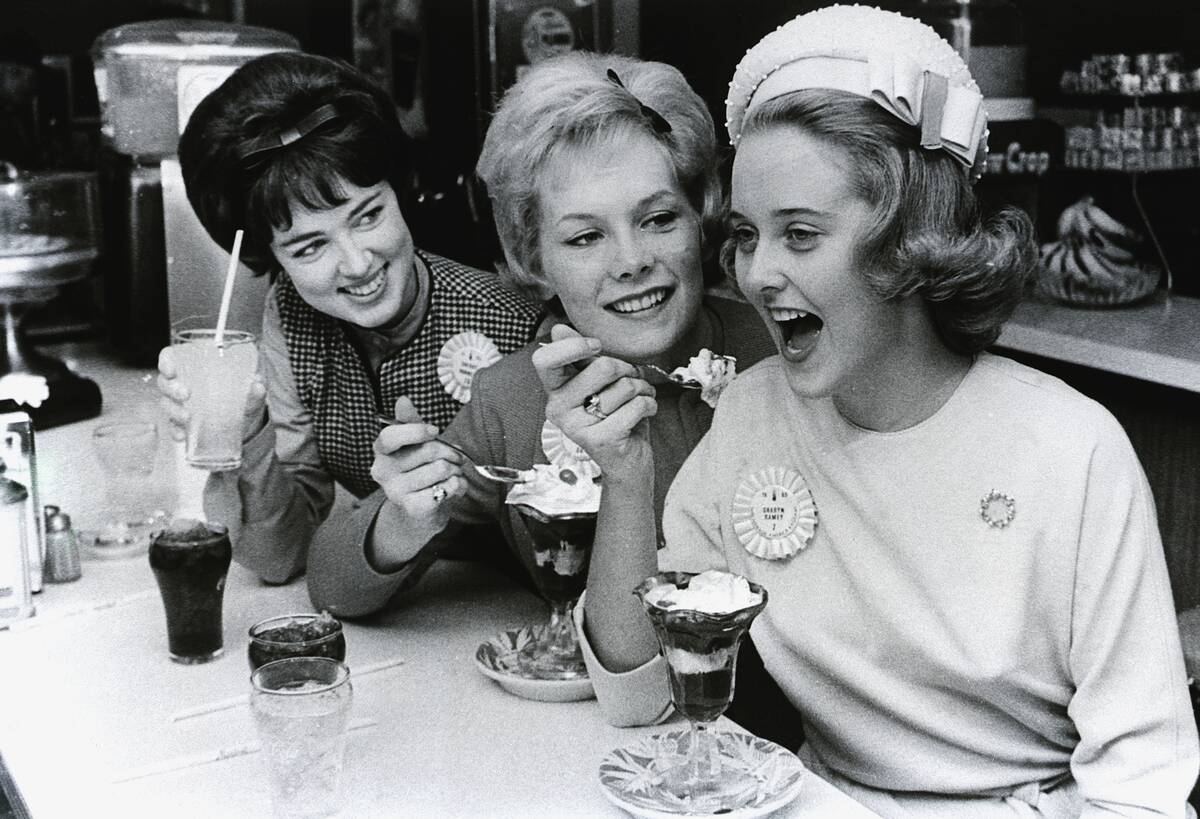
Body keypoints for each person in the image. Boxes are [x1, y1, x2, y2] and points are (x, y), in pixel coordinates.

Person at [569, 6, 1200, 817]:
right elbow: (636, 693)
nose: (758, 272)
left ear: (912, 242)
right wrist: (624, 475)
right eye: (748, 235)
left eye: (800, 234)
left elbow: (1143, 789)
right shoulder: (754, 415)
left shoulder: (1072, 451)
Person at [157, 52, 544, 585]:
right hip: (388, 606)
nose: (358, 264)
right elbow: (281, 555)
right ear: (273, 259)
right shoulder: (291, 313)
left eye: (368, 215)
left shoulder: (518, 322)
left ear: (399, 192)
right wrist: (247, 438)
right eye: (310, 247)